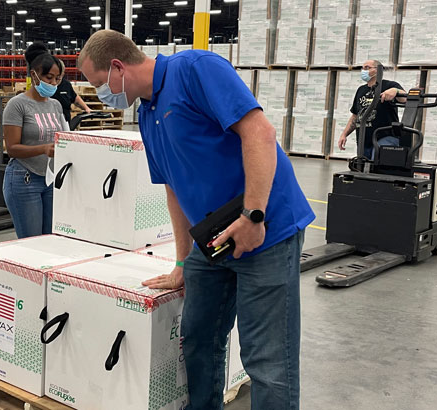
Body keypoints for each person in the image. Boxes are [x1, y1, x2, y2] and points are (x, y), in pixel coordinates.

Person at [78, 31, 315, 410]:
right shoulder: (147, 113)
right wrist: (182, 260)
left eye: (99, 84)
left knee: (268, 359)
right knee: (199, 339)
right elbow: (174, 188)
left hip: (265, 231)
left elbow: (259, 132)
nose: (101, 95)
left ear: (119, 68)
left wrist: (253, 215)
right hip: (213, 238)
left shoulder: (195, 70)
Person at [2, 42, 69, 238]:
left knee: (49, 239)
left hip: (50, 179)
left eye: (58, 79)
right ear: (34, 75)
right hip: (25, 179)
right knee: (31, 242)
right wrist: (43, 149)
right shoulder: (17, 105)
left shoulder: (55, 105)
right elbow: (12, 148)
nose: (54, 83)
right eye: (49, 78)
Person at [337, 60, 407, 159]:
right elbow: (355, 116)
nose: (363, 71)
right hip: (363, 140)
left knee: (378, 167)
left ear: (378, 70)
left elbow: (405, 98)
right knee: (363, 168)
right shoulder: (361, 90)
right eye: (362, 68)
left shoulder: (389, 85)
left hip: (384, 137)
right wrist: (344, 134)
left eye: (367, 68)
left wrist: (396, 91)